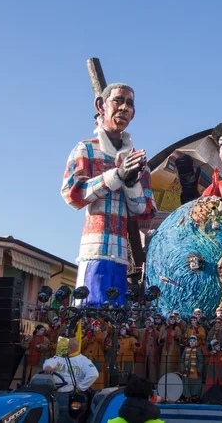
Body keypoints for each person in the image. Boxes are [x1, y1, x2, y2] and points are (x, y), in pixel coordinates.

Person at [61, 83, 157, 307]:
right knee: (89, 309)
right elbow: (72, 194)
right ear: (100, 106)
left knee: (117, 315)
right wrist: (116, 176)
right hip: (93, 250)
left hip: (122, 254)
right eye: (118, 101)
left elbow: (146, 211)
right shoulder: (85, 149)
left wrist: (132, 183)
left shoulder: (137, 160)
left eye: (130, 104)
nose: (124, 108)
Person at [43, 337, 99, 423]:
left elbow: (94, 374)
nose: (60, 347)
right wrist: (48, 367)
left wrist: (80, 388)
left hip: (71, 396)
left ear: (70, 348)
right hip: (54, 393)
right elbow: (49, 362)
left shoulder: (83, 361)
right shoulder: (59, 356)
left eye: (64, 346)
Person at [181, 335, 204, 402]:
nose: (192, 342)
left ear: (196, 342)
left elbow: (201, 361)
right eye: (191, 341)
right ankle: (187, 396)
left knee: (195, 384)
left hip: (195, 371)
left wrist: (199, 370)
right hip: (186, 370)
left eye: (193, 341)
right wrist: (183, 369)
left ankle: (195, 396)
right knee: (186, 383)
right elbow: (182, 360)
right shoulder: (186, 350)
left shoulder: (198, 350)